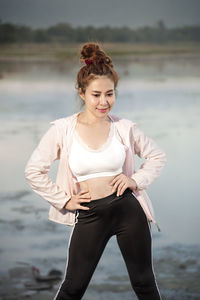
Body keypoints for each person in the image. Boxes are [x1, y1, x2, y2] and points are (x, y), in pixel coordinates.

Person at [24, 42, 166, 300]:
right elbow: (34, 171)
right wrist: (65, 199)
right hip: (90, 214)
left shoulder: (124, 127)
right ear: (82, 93)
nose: (104, 102)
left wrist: (135, 180)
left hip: (128, 211)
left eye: (110, 94)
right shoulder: (62, 129)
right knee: (72, 289)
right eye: (96, 95)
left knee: (145, 285)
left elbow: (157, 156)